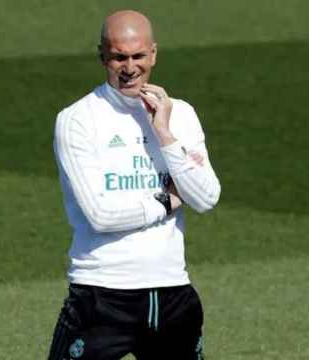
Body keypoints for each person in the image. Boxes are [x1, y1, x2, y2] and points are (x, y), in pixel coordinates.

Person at [48, 9, 221, 360]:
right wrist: (169, 200)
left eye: (138, 56)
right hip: (101, 294)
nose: (130, 67)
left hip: (172, 294)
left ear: (153, 53)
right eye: (118, 57)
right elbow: (101, 216)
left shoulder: (180, 115)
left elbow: (206, 197)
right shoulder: (77, 120)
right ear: (102, 57)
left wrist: (165, 135)